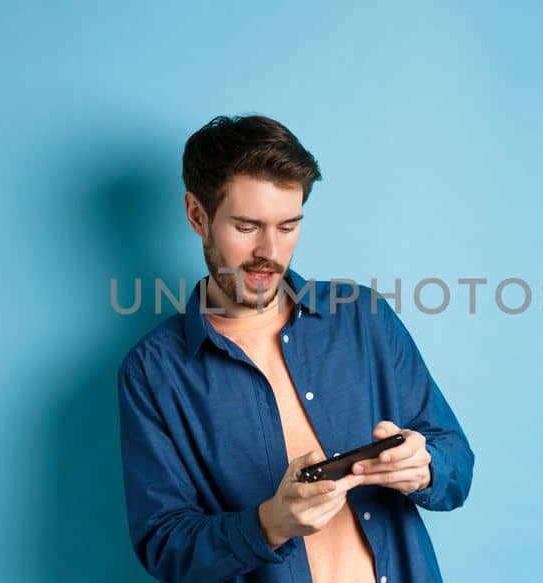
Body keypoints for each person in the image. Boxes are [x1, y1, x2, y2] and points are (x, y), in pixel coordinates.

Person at [117, 114, 474, 582]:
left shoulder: (363, 319)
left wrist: (424, 466)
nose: (271, 251)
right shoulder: (153, 372)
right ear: (197, 215)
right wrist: (268, 525)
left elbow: (455, 462)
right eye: (247, 227)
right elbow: (165, 547)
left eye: (288, 227)